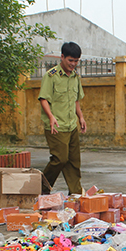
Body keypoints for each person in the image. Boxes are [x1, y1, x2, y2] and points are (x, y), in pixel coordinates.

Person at [38, 42, 86, 195]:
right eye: (70, 60)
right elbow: (43, 98)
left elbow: (76, 100)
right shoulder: (51, 76)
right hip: (56, 125)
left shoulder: (75, 77)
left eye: (76, 61)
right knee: (60, 159)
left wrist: (81, 118)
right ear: (62, 57)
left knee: (73, 161)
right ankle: (41, 188)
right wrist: (51, 117)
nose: (73, 64)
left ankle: (76, 193)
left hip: (71, 125)